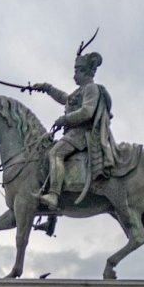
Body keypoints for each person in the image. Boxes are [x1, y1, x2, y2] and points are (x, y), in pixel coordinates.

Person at [33, 50, 122, 209]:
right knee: (49, 153)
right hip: (73, 134)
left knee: (55, 153)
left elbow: (87, 112)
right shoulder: (79, 91)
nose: (74, 74)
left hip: (81, 135)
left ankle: (53, 195)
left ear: (86, 71)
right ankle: (51, 217)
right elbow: (64, 98)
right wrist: (46, 88)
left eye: (77, 70)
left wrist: (65, 119)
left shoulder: (91, 89)